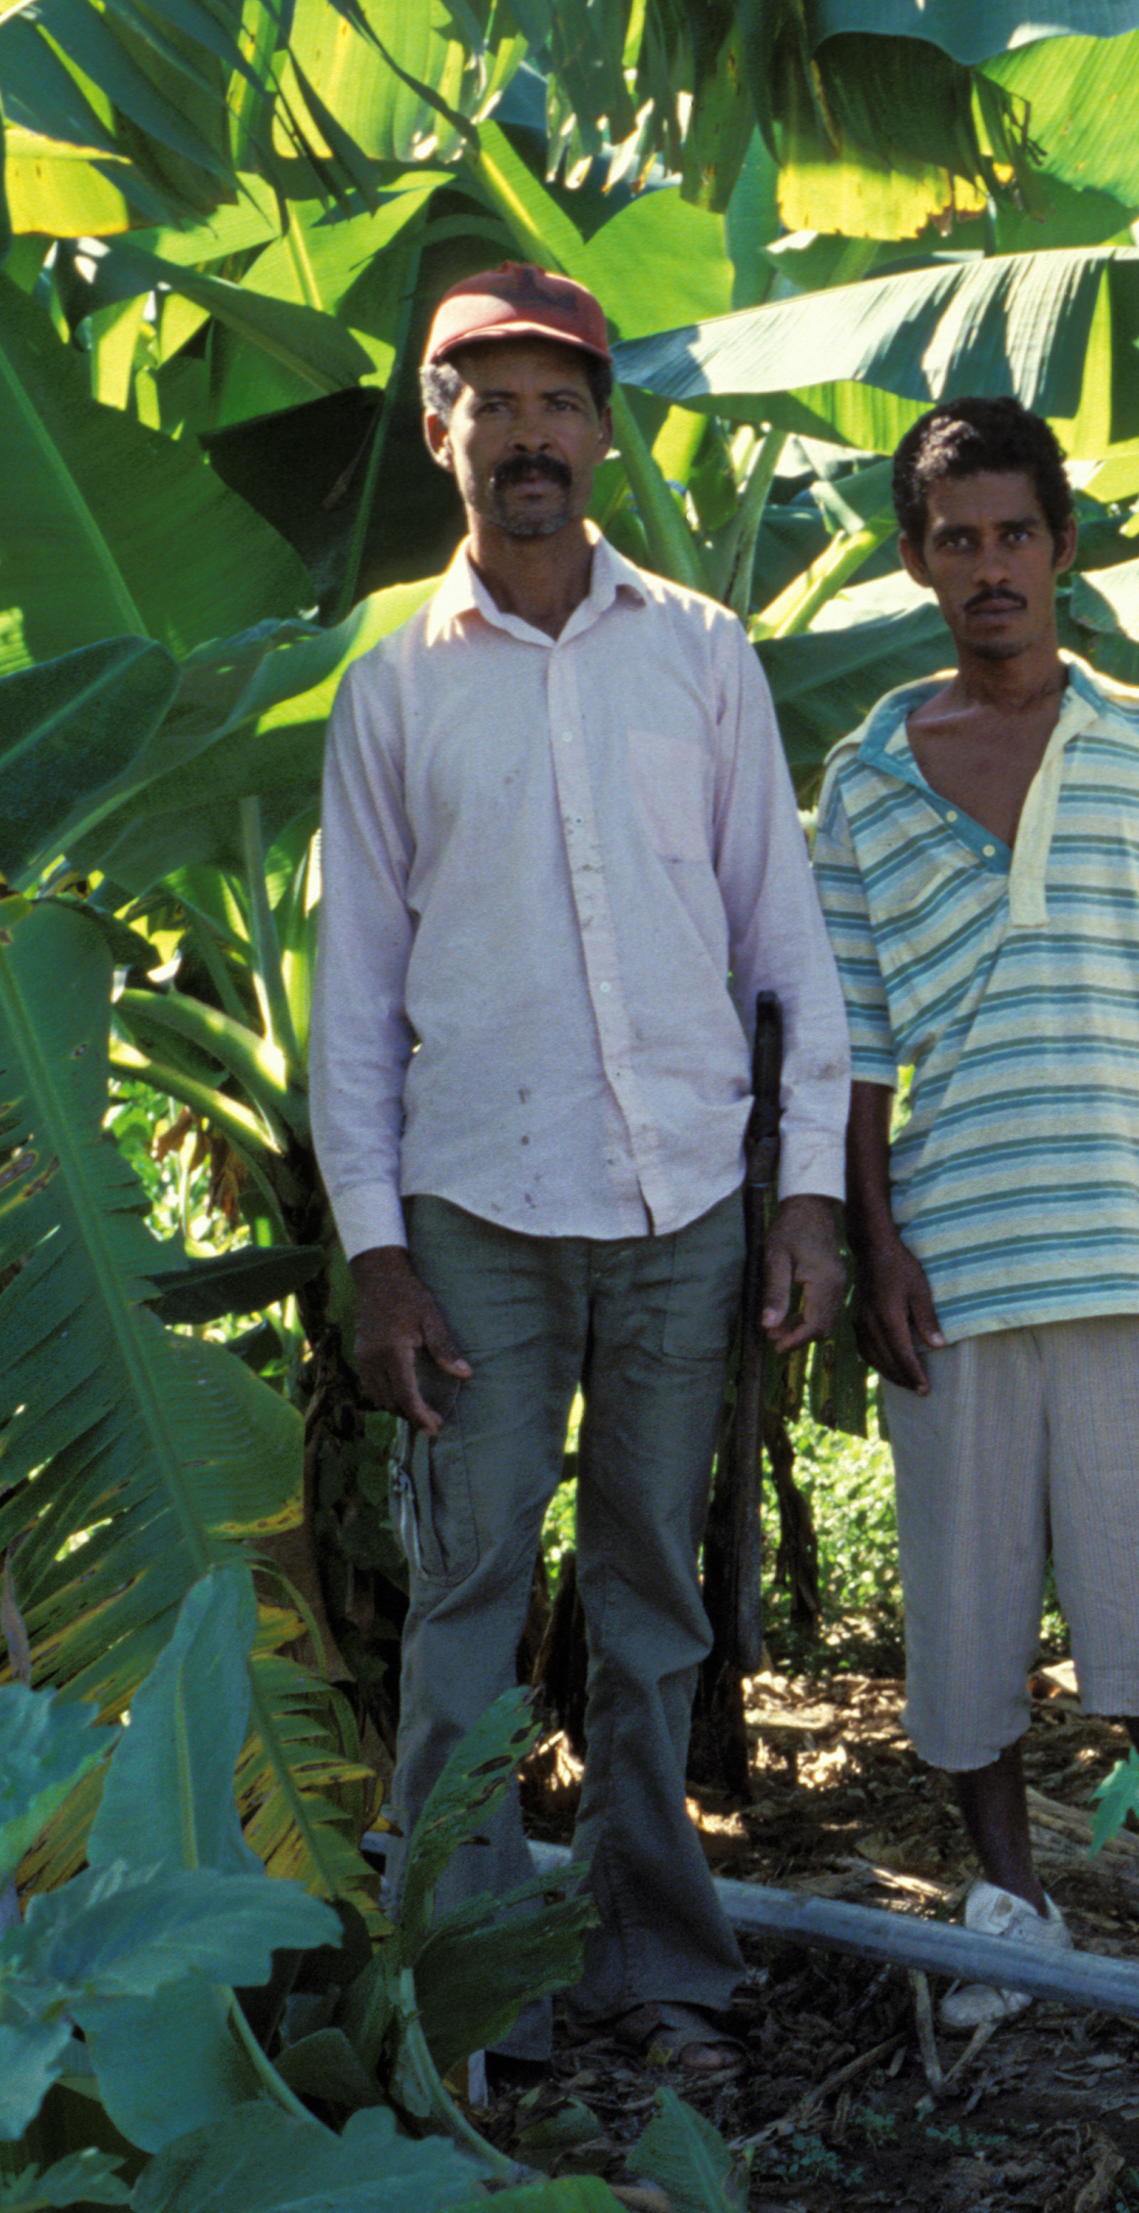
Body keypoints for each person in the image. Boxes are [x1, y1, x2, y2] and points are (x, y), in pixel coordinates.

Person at [313, 264, 853, 2078]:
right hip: (471, 1211)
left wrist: (804, 1197)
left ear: (603, 431)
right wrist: (374, 1252)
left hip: (685, 1197)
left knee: (649, 1592)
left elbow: (785, 939)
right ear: (438, 426)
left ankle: (662, 1974)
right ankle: (472, 1998)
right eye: (493, 397)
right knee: (468, 1596)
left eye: (560, 401)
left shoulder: (698, 653)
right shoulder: (393, 689)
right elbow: (356, 999)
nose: (529, 434)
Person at [810, 398, 1139, 2027]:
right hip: (961, 1249)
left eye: (1012, 534)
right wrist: (873, 1244)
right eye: (953, 539)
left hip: (1136, 1235)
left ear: (1064, 546)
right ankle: (1011, 1900)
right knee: (967, 1601)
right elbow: (849, 1044)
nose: (987, 567)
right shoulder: (861, 780)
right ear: (915, 562)